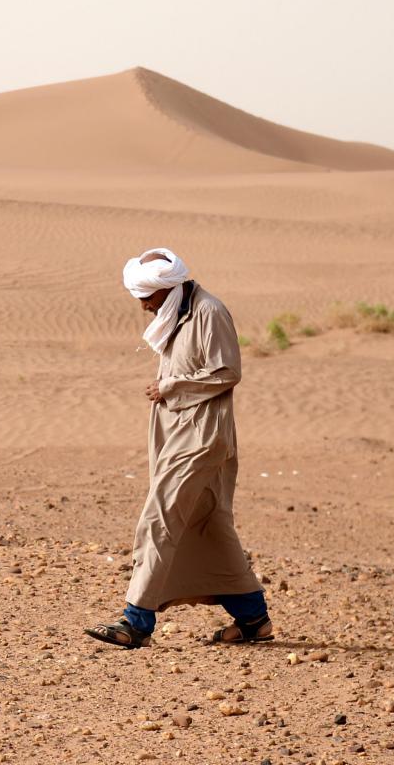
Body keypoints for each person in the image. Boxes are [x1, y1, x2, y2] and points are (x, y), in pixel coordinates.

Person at [84, 248, 273, 649]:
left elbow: (227, 372)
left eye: (147, 297)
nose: (142, 306)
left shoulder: (209, 312)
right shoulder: (177, 312)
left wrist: (170, 387)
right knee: (208, 525)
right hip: (178, 433)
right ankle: (253, 618)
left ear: (169, 288)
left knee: (159, 518)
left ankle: (136, 622)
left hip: (203, 437)